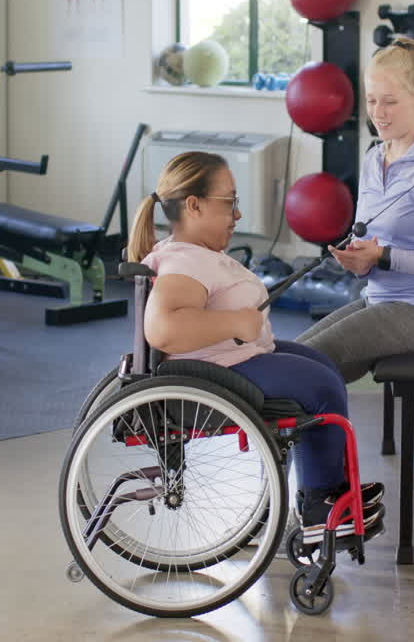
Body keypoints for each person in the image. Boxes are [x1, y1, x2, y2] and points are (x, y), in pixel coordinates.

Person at [128, 151, 382, 543]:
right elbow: (163, 329)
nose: (238, 215)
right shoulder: (184, 261)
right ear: (194, 205)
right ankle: (319, 505)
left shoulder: (194, 255)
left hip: (229, 361)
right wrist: (234, 322)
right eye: (229, 203)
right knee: (320, 386)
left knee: (323, 368)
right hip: (213, 375)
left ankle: (329, 490)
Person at [297, 37, 414, 381]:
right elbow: (371, 242)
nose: (378, 112)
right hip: (379, 298)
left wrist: (384, 256)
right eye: (372, 100)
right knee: (293, 355)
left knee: (308, 363)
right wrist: (359, 261)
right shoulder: (373, 159)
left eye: (390, 101)